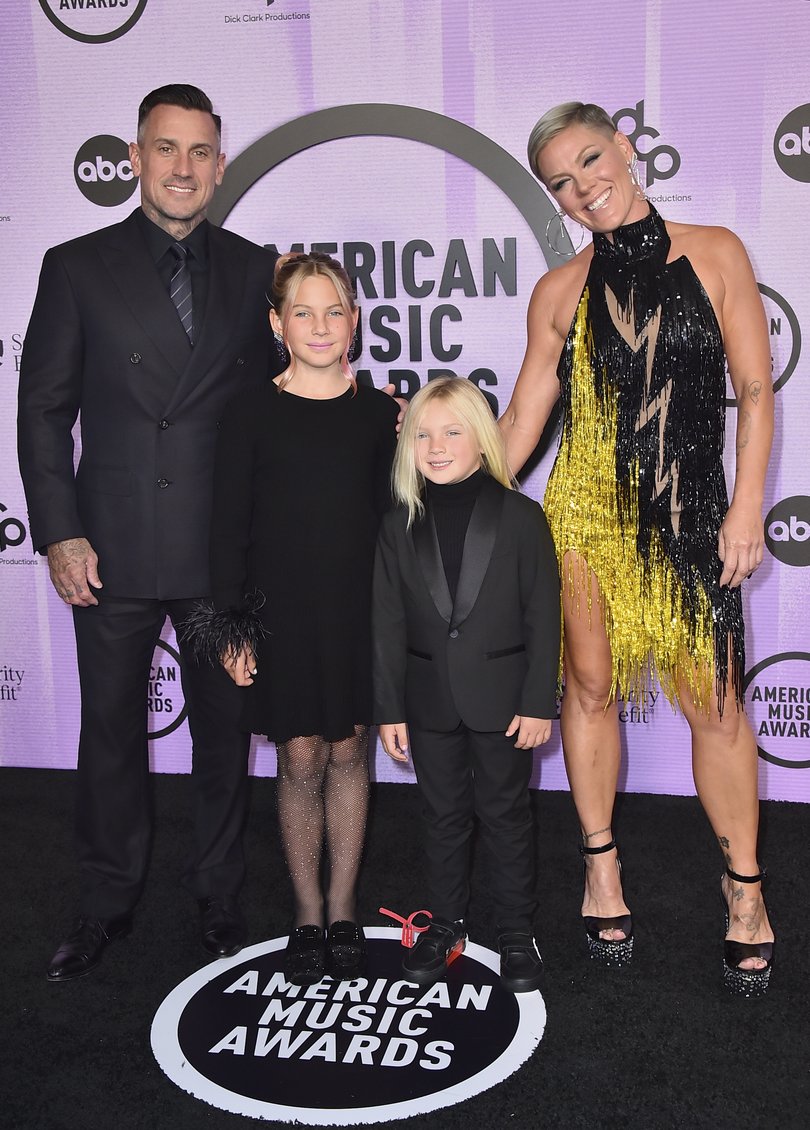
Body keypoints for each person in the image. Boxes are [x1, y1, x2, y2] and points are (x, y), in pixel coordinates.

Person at [499, 102, 775, 995]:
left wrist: (746, 507)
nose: (585, 187)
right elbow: (517, 432)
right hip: (584, 521)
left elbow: (755, 390)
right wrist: (424, 466)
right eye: (563, 182)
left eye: (591, 161)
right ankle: (601, 867)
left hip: (695, 518)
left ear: (625, 147)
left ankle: (744, 890)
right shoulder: (558, 292)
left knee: (719, 707)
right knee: (586, 688)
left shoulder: (718, 251)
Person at [17, 84, 281, 981]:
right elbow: (44, 410)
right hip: (114, 545)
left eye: (200, 152)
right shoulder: (75, 265)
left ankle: (217, 893)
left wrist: (369, 411)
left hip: (219, 550)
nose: (183, 168)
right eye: (166, 150)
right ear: (134, 158)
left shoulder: (256, 270)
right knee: (110, 733)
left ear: (219, 162)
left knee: (223, 729)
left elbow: (286, 400)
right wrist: (59, 531)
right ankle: (104, 900)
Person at [185, 252, 399, 986]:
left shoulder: (378, 414)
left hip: (357, 614)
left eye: (333, 311)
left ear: (355, 323)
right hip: (279, 617)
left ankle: (344, 906)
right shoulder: (248, 410)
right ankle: (306, 911)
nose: (319, 326)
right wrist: (231, 628)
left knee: (350, 754)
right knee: (301, 757)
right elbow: (227, 529)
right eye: (301, 312)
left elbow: (394, 526)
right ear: (276, 323)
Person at [373, 377, 560, 993]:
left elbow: (542, 615)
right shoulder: (399, 523)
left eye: (453, 431)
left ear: (482, 439)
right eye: (423, 433)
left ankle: (514, 931)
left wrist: (539, 703)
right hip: (428, 703)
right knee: (442, 814)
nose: (437, 445)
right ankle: (447, 921)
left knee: (507, 814)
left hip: (504, 702)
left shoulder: (521, 517)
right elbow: (387, 622)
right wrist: (390, 707)